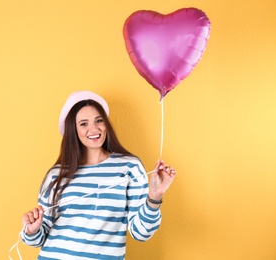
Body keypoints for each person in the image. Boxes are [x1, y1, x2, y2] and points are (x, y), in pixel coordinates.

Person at [21, 90, 176, 259]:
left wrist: (155, 196)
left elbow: (141, 233)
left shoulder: (129, 167)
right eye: (84, 124)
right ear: (73, 130)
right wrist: (32, 229)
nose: (94, 128)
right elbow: (37, 239)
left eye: (99, 120)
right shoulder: (56, 174)